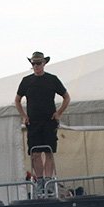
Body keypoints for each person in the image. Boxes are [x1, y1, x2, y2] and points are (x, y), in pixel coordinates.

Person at [14, 51, 71, 197]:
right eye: (33, 64)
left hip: (49, 121)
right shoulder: (26, 81)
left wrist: (58, 113)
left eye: (38, 63)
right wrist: (23, 116)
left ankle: (48, 181)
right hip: (33, 121)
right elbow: (17, 100)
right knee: (35, 153)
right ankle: (39, 182)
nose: (35, 66)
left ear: (44, 64)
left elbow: (66, 97)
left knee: (49, 152)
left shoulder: (52, 80)